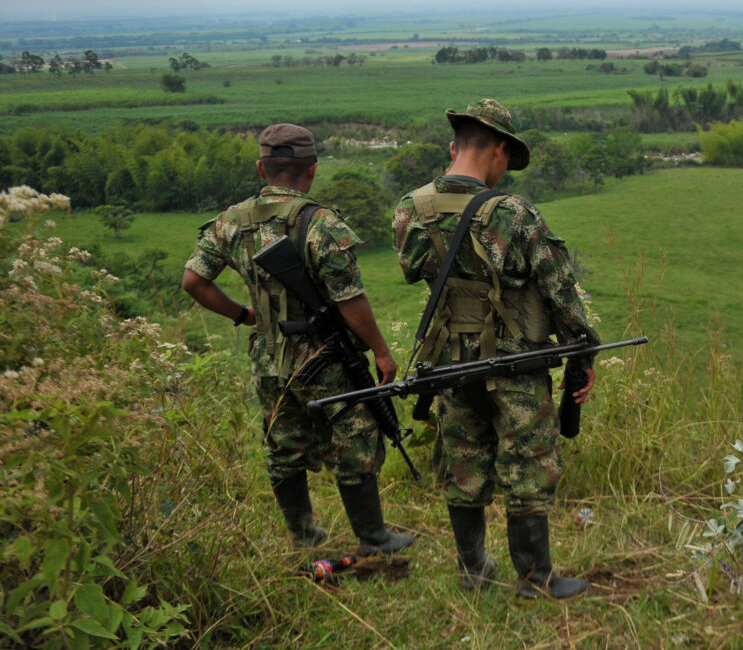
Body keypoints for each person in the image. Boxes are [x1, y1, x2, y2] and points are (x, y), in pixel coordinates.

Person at [393, 99, 600, 599]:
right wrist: (583, 353)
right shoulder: (515, 215)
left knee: (463, 461)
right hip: (515, 363)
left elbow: (416, 272)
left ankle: (472, 570)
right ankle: (534, 578)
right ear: (500, 150)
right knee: (528, 463)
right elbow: (562, 294)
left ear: (453, 147)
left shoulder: (409, 210)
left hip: (448, 364)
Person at [182, 123, 413, 556]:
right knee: (355, 435)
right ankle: (374, 537)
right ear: (312, 170)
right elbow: (351, 301)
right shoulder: (322, 223)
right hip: (324, 355)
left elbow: (193, 281)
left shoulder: (230, 221)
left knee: (282, 443)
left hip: (268, 354)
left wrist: (245, 315)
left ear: (261, 168)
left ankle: (303, 537)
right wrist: (381, 352)